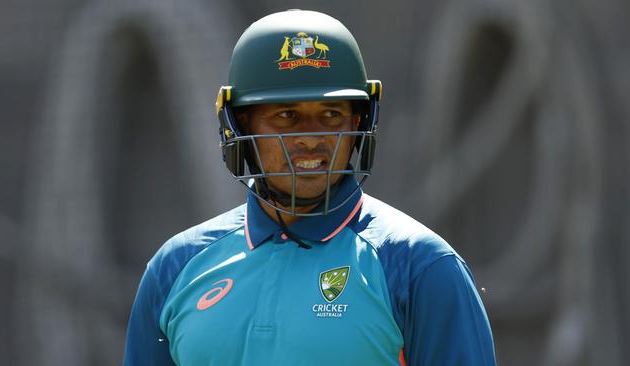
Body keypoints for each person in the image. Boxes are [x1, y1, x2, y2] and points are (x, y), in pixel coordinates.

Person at [123, 9, 496, 366]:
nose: (310, 138)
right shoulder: (174, 268)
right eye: (286, 116)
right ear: (238, 126)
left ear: (358, 123)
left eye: (331, 115)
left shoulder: (422, 267)